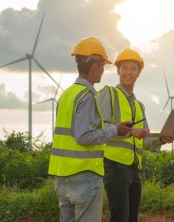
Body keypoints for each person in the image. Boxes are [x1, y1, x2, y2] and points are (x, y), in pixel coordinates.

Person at [48, 37, 132, 222]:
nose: (103, 71)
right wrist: (115, 130)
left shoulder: (67, 94)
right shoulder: (86, 96)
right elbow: (84, 136)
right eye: (102, 66)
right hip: (84, 176)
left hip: (62, 177)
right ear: (94, 67)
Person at [97, 48, 174, 222]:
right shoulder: (108, 94)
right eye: (124, 68)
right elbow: (99, 128)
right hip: (114, 166)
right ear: (118, 70)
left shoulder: (140, 106)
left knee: (132, 219)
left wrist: (161, 139)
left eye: (133, 69)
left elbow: (145, 141)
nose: (128, 72)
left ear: (139, 73)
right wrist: (130, 132)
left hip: (134, 169)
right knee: (120, 217)